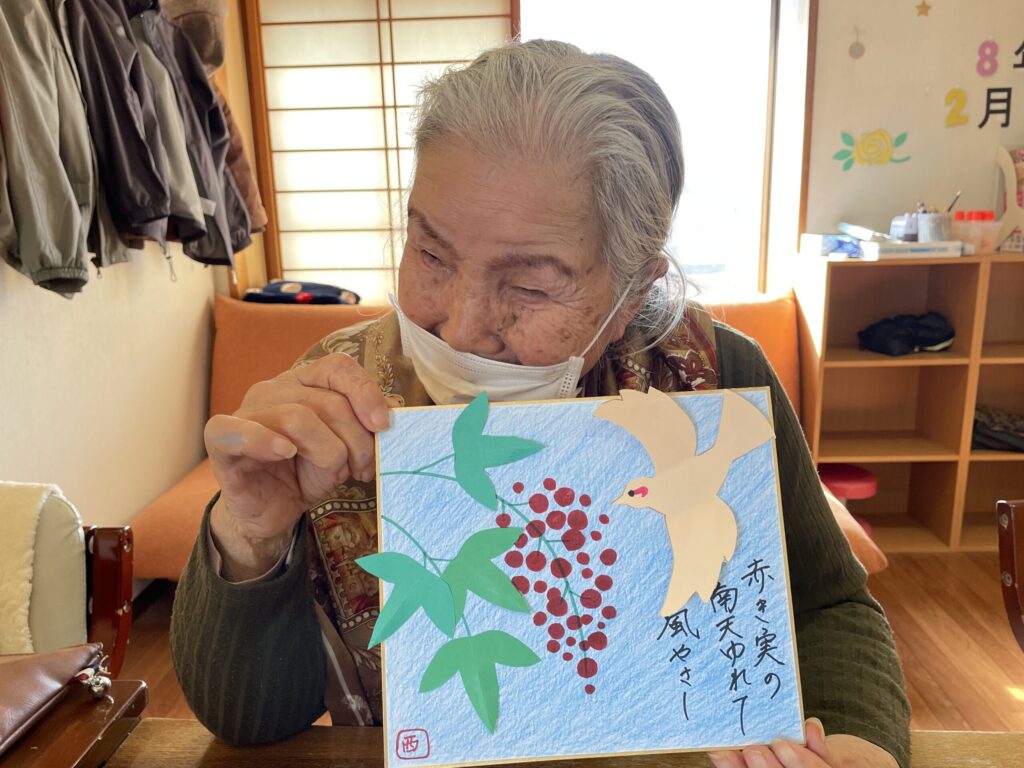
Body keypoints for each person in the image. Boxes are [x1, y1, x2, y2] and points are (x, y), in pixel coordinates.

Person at [171, 40, 910, 768]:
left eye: (529, 286)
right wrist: (250, 538)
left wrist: (859, 742)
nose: (461, 326)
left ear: (632, 294)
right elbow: (250, 724)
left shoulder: (711, 378)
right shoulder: (335, 401)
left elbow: (828, 606)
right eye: (431, 254)